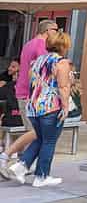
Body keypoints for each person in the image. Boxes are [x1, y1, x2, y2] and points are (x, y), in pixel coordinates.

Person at [5, 31, 73, 187]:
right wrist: (65, 107)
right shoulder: (61, 63)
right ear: (64, 46)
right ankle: (41, 176)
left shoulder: (37, 61)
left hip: (33, 106)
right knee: (49, 141)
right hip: (51, 107)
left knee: (40, 138)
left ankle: (21, 166)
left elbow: (34, 82)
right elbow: (63, 87)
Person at [0, 20, 56, 176]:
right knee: (37, 132)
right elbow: (45, 68)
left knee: (35, 132)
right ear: (47, 30)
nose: (57, 33)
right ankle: (6, 156)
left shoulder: (28, 44)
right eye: (55, 30)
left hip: (24, 92)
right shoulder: (41, 45)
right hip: (32, 94)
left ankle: (22, 164)